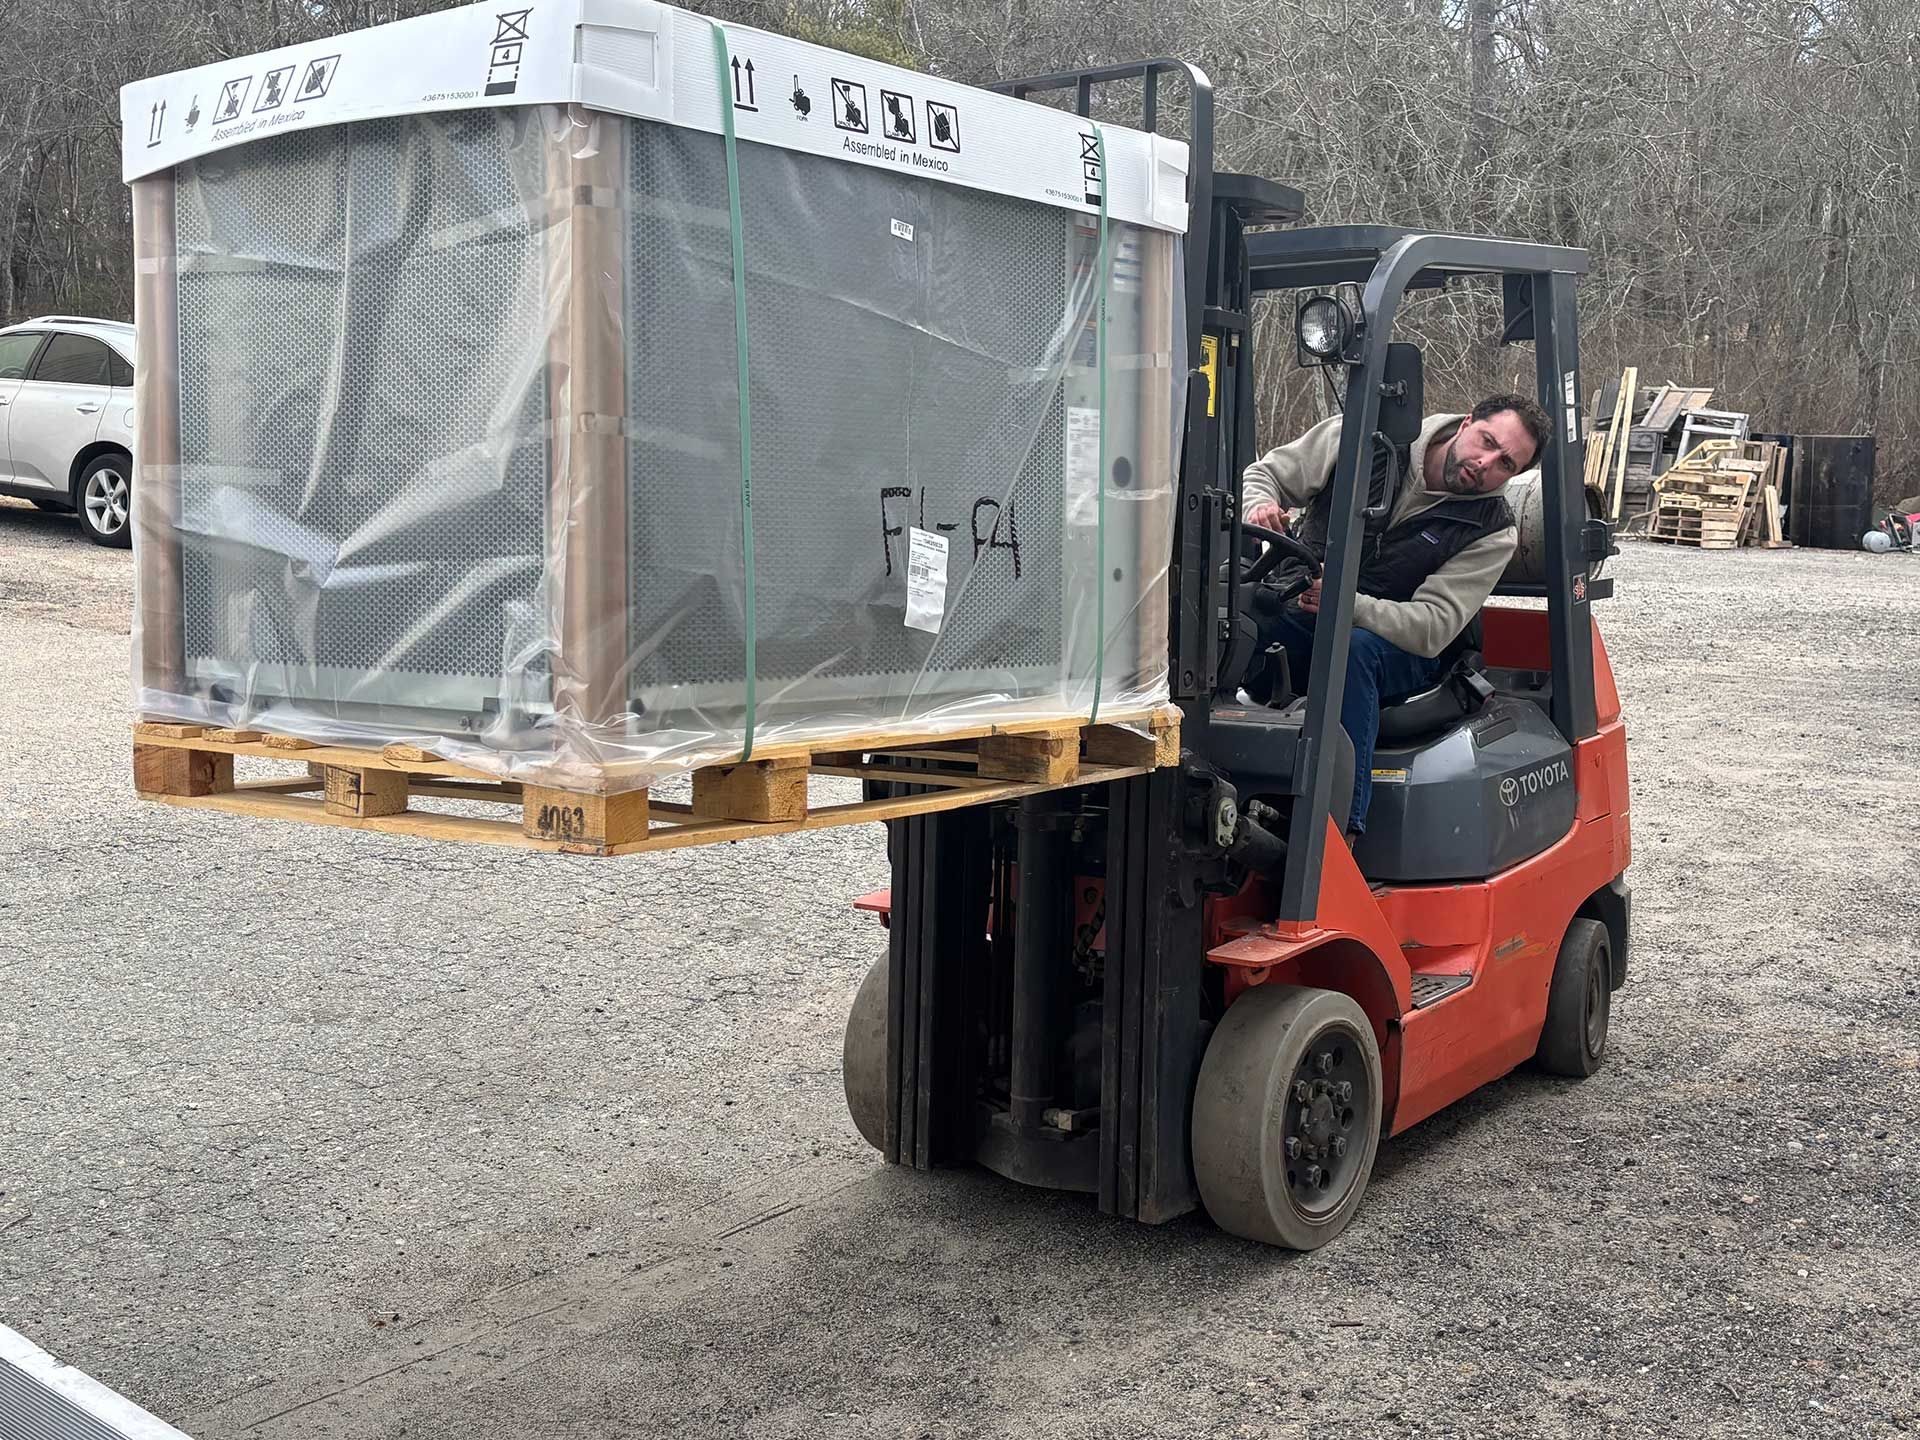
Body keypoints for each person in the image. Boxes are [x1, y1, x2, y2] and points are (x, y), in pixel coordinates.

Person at [1243, 394, 1551, 839]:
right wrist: (1260, 504)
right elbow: (1266, 474)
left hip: (1402, 648)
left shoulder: (1492, 530)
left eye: (1505, 464)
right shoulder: (1362, 440)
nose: (1485, 463)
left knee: (1352, 652)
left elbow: (1430, 627)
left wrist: (1349, 604)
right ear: (1466, 422)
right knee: (1233, 614)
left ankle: (1333, 836)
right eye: (1486, 442)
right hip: (1305, 607)